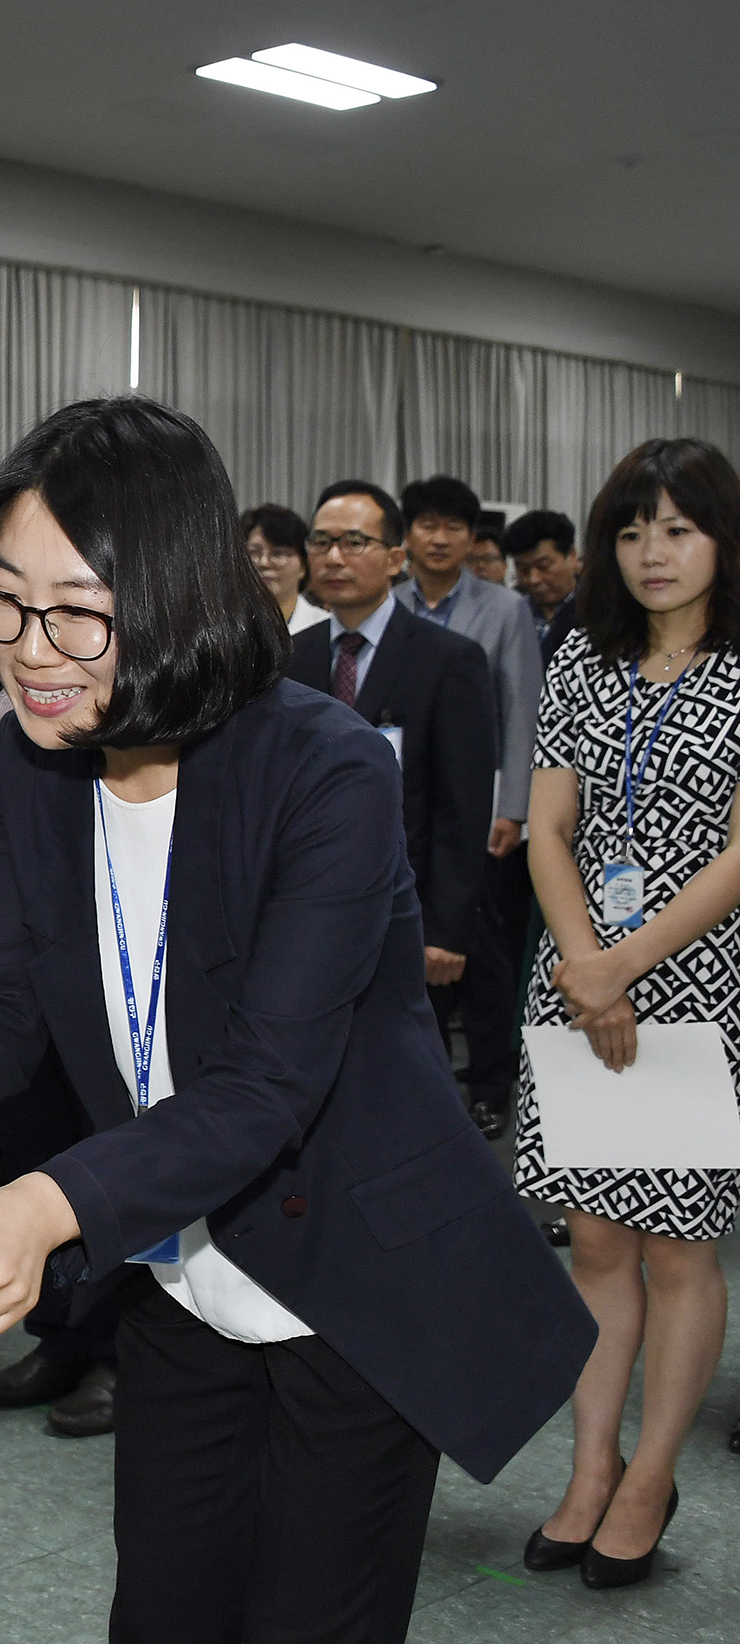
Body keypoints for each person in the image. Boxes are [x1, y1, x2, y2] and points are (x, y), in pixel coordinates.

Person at [0, 399, 592, 1642]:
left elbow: (264, 1087)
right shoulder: (38, 763)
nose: (31, 648)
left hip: (351, 1284)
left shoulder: (326, 769)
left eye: (77, 608)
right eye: (5, 598)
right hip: (177, 1268)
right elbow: (5, 1009)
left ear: (180, 596)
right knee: (164, 1613)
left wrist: (43, 1206)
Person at [511, 438, 740, 1589]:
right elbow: (549, 827)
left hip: (701, 987)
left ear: (723, 541)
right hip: (579, 976)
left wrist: (626, 963)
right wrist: (586, 961)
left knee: (679, 1250)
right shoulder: (581, 660)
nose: (653, 552)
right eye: (634, 529)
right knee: (595, 1240)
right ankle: (590, 1467)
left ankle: (651, 1475)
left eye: (680, 528)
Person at [289, 482, 498, 1009]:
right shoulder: (290, 658)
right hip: (306, 905)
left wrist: (447, 927)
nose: (334, 557)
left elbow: (463, 808)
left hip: (406, 908)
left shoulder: (449, 660)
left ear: (395, 558)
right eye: (321, 542)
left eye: (354, 542)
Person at [394, 476, 542, 1138]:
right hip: (399, 809)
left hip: (472, 807)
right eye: (426, 524)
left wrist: (511, 805)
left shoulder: (502, 609)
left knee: (478, 953)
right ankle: (410, 1085)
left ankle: (487, 1086)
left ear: (470, 537)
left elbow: (520, 708)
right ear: (408, 534)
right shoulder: (388, 604)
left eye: (453, 526)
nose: (439, 536)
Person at [504, 508, 584, 664]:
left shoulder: (601, 613)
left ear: (572, 556)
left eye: (544, 566)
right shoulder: (511, 612)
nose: (533, 579)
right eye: (523, 569)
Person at [241, 502, 327, 633]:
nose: (264, 563)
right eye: (254, 552)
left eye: (278, 553)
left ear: (304, 566)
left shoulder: (324, 627)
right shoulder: (223, 627)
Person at [468, 516, 512, 584]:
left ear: (504, 565)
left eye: (488, 559)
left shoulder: (514, 595)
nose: (480, 566)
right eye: (473, 559)